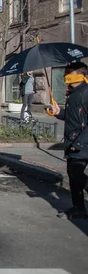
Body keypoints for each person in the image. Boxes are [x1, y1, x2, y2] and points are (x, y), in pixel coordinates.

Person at [49, 62, 88, 220]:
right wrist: (58, 113)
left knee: (77, 174)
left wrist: (79, 142)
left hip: (82, 142)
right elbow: (72, 117)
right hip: (73, 141)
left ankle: (79, 208)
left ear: (78, 74)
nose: (65, 76)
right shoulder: (73, 93)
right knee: (73, 175)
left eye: (68, 73)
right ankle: (79, 208)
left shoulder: (85, 92)